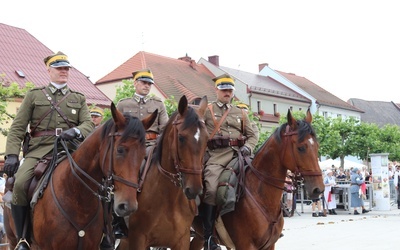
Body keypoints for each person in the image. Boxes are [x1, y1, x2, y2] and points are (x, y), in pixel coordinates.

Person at [3, 51, 94, 250]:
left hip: (70, 150)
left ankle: (106, 235)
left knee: (101, 183)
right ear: (49, 70)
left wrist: (76, 130)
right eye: (60, 68)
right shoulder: (34, 95)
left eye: (66, 69)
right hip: (39, 151)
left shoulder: (78, 98)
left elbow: (89, 124)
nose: (64, 72)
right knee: (19, 184)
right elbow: (18, 126)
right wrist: (11, 155)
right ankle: (23, 239)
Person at [202, 74, 258, 250]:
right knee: (211, 189)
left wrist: (248, 147)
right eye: (224, 89)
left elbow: (252, 134)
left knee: (260, 182)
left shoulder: (240, 112)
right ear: (216, 90)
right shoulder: (206, 110)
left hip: (240, 156)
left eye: (230, 90)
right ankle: (209, 237)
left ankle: (268, 224)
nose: (227, 93)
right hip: (217, 157)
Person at [116, 68, 168, 147]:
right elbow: (116, 127)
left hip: (152, 144)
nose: (147, 86)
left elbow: (165, 127)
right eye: (144, 82)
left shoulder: (158, 104)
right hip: (129, 145)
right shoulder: (123, 104)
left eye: (149, 84)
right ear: (135, 83)